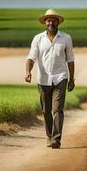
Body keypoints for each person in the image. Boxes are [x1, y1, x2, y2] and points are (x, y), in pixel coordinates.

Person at [25, 9, 75, 149]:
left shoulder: (66, 38)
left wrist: (71, 79)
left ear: (58, 22)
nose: (51, 22)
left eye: (53, 20)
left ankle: (56, 139)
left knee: (57, 110)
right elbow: (31, 56)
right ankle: (49, 136)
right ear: (45, 23)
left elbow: (70, 59)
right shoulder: (38, 38)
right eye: (48, 20)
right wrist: (28, 71)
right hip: (43, 79)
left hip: (60, 78)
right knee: (46, 111)